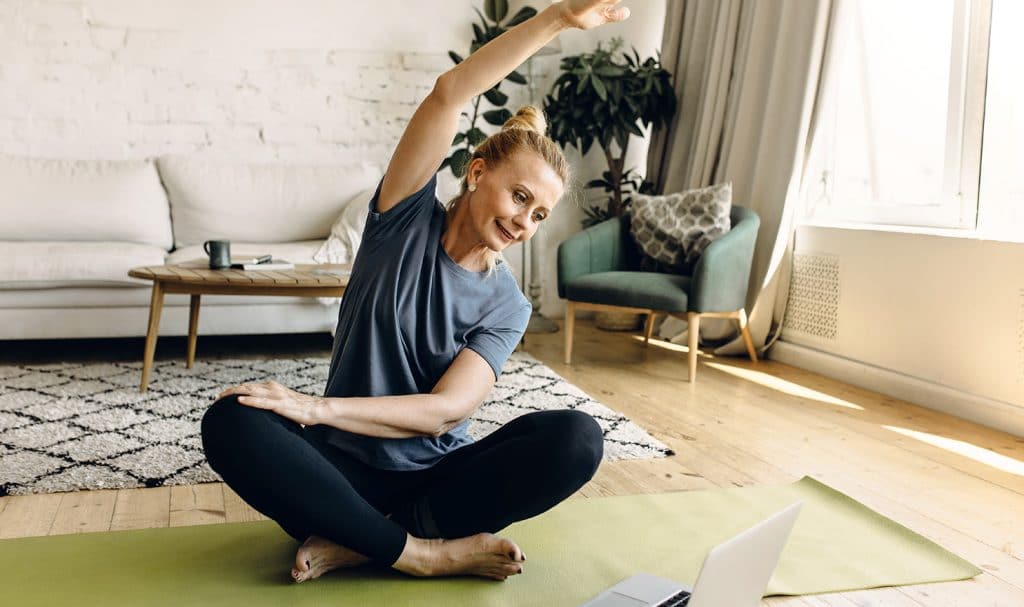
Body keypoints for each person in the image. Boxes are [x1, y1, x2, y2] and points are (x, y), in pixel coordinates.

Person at [200, 0, 631, 584]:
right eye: (519, 197)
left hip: (438, 480)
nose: (525, 221)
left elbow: (445, 413)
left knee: (577, 438)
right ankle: (418, 552)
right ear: (477, 174)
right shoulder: (402, 218)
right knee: (232, 420)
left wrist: (313, 407)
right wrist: (555, 19)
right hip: (341, 469)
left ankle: (361, 540)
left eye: (540, 214)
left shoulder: (508, 303)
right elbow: (450, 94)